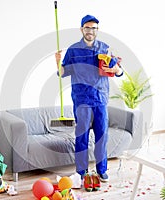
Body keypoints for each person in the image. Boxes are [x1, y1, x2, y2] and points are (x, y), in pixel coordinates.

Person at [55, 15, 123, 183]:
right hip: (82, 100)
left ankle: (102, 170)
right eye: (87, 28)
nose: (90, 31)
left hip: (100, 99)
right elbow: (62, 73)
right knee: (82, 136)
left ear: (97, 30)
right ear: (81, 29)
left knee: (102, 136)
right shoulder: (73, 50)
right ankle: (81, 171)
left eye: (93, 28)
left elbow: (119, 72)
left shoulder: (105, 49)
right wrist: (57, 63)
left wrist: (114, 69)